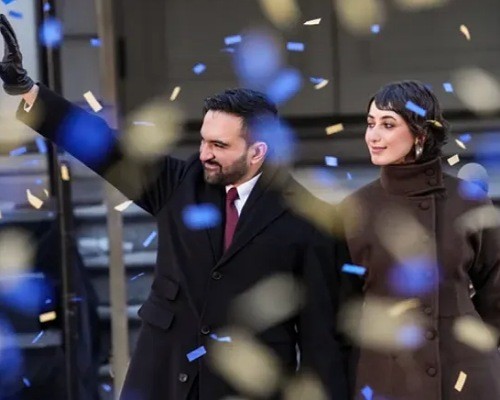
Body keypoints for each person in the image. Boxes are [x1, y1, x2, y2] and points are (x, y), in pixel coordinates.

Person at [0, 14, 350, 400]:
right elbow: (104, 146)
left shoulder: (308, 220)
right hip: (162, 376)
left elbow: (321, 341)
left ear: (257, 152)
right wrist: (28, 91)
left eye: (219, 145)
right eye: (203, 140)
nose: (205, 153)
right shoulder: (181, 183)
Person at [339, 80, 500, 400]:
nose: (373, 136)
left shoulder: (467, 200)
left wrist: (474, 341)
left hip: (464, 376)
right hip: (386, 378)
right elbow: (341, 306)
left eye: (388, 125)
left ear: (422, 134)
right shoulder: (353, 209)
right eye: (370, 124)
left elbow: (496, 283)